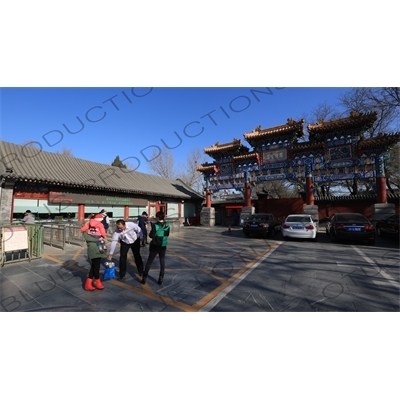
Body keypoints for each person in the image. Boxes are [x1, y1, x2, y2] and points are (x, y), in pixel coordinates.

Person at [141, 211, 170, 285]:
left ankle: (144, 277)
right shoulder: (167, 225)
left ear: (158, 217)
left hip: (155, 245)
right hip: (163, 245)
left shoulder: (155, 225)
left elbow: (151, 235)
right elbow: (167, 234)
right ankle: (161, 278)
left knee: (149, 262)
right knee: (162, 261)